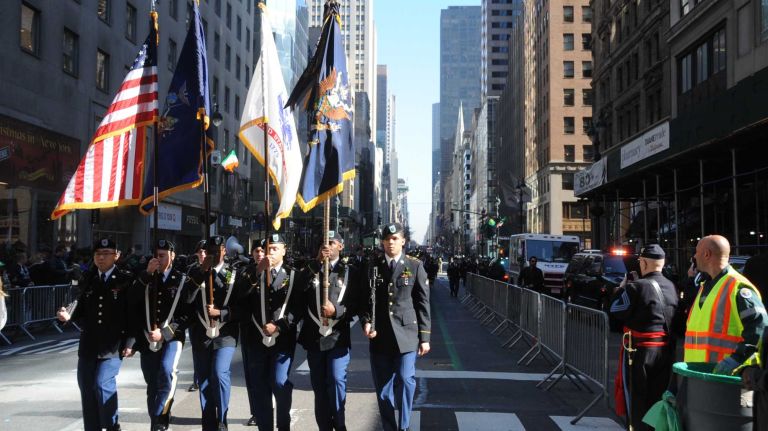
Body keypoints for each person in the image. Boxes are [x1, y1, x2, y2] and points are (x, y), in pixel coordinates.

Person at [56, 238, 137, 431]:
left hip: (112, 345)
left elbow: (133, 313)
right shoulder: (88, 279)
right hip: (89, 345)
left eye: (107, 253)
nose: (101, 258)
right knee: (87, 390)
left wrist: (131, 342)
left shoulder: (126, 279)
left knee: (102, 384)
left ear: (116, 256)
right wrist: (67, 314)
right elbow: (79, 307)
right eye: (98, 254)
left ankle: (111, 426)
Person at [362, 222, 431, 431]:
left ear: (403, 241)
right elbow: (365, 299)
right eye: (387, 239)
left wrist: (425, 337)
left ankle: (404, 426)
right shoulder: (372, 265)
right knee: (383, 389)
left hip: (407, 334)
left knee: (405, 379)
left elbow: (422, 302)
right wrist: (366, 321)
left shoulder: (414, 265)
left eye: (395, 239)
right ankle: (389, 427)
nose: (391, 243)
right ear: (382, 242)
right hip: (380, 334)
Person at [609, 244, 679, 431]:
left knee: (637, 400)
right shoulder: (671, 286)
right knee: (657, 399)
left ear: (644, 263)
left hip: (639, 352)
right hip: (665, 350)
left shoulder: (636, 287)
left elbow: (615, 312)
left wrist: (621, 289)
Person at [236, 233, 301, 431]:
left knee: (279, 382)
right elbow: (239, 299)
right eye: (267, 249)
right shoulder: (249, 273)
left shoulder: (292, 275)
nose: (269, 252)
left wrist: (280, 326)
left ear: (283, 250)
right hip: (255, 339)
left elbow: (297, 308)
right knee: (260, 388)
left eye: (274, 248)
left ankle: (283, 425)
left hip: (282, 339)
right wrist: (258, 272)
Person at [299, 232, 362, 431]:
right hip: (314, 337)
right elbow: (298, 290)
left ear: (341, 247)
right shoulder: (311, 269)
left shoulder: (351, 271)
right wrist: (317, 263)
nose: (327, 246)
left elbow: (358, 304)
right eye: (323, 243)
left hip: (337, 337)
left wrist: (338, 311)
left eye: (332, 243)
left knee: (335, 380)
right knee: (319, 387)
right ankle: (324, 427)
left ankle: (339, 423)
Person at [685, 235, 767, 374]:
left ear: (706, 254)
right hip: (701, 378)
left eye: (697, 252)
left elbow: (760, 327)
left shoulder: (737, 287)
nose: (694, 256)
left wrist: (737, 358)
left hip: (727, 381)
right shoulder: (705, 286)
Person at [135, 240, 193, 431]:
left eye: (163, 255)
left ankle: (162, 418)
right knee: (152, 383)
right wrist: (147, 274)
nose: (159, 259)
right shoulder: (146, 277)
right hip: (149, 337)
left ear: (172, 256)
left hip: (172, 337)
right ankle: (155, 422)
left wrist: (165, 332)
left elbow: (187, 314)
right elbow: (132, 301)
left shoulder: (181, 280)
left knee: (167, 372)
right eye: (156, 255)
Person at [187, 236, 243, 431]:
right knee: (204, 378)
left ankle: (222, 417)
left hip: (225, 334)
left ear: (224, 251)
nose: (215, 253)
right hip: (201, 334)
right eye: (210, 250)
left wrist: (222, 313)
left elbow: (242, 307)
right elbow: (186, 298)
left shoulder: (234, 273)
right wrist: (202, 273)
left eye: (219, 249)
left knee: (219, 373)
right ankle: (208, 422)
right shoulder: (195, 272)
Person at [240, 239, 267, 427]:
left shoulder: (283, 271)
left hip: (273, 332)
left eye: (264, 250)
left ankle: (269, 409)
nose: (260, 254)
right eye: (257, 250)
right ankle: (256, 411)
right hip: (250, 331)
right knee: (252, 375)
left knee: (271, 375)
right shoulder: (245, 272)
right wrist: (257, 273)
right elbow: (241, 295)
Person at [186, 239, 206, 393]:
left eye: (206, 251)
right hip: (196, 317)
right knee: (197, 352)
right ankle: (197, 379)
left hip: (213, 319)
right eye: (200, 252)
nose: (203, 254)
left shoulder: (222, 270)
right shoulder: (191, 270)